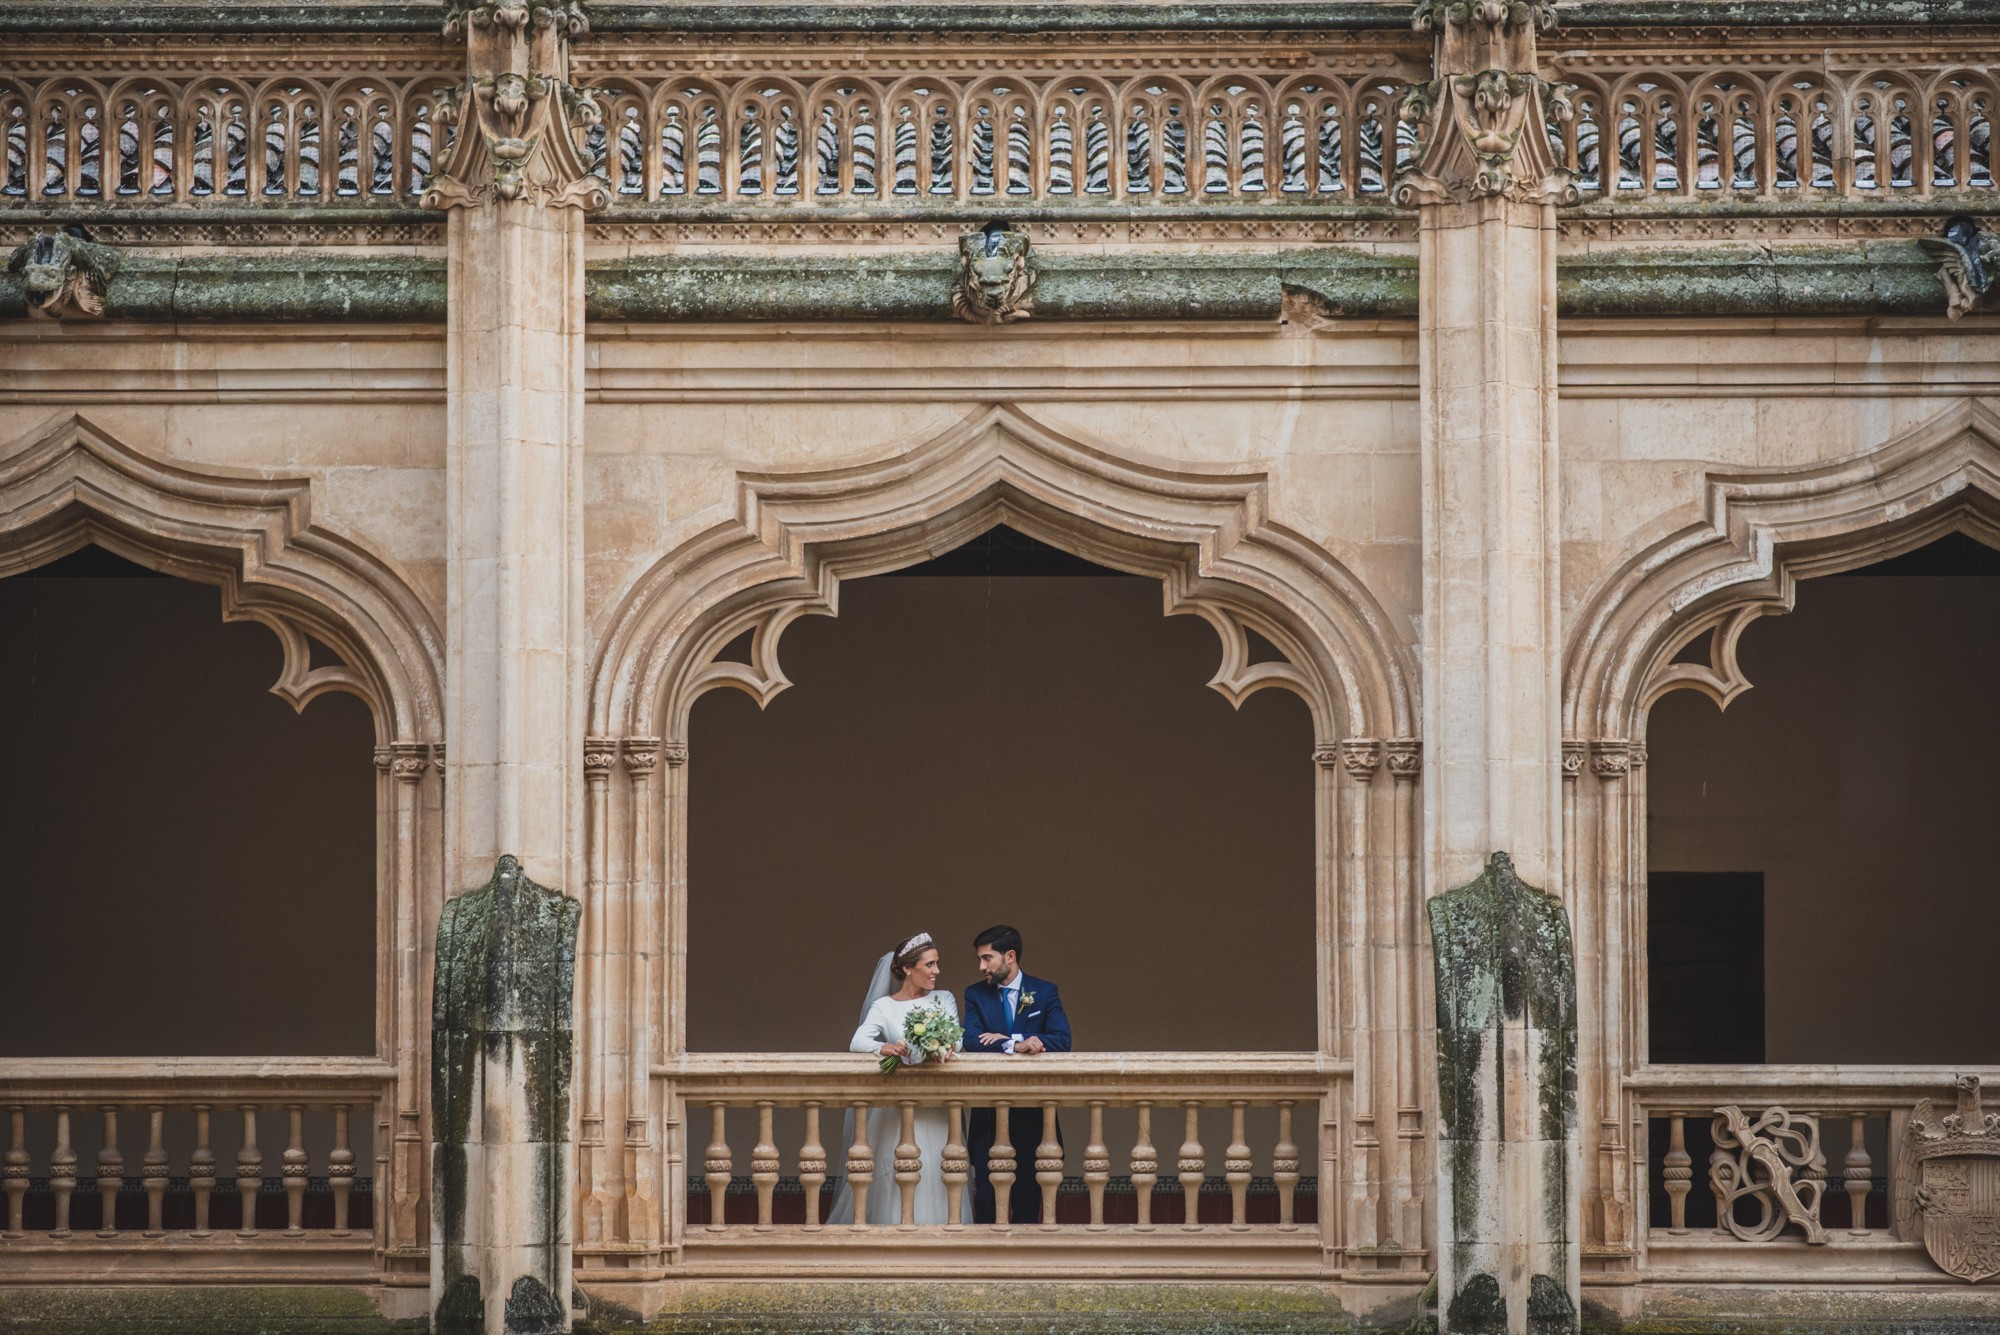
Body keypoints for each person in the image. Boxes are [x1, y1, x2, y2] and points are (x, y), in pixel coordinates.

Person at [826, 932, 968, 1225]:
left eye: (937, 964)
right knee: (898, 1170)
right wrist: (885, 1047)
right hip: (899, 1110)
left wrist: (944, 1046)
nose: (936, 972)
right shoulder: (884, 1007)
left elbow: (956, 1038)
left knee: (938, 1168)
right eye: (929, 965)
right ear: (907, 968)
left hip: (936, 1107)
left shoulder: (944, 998)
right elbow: (858, 1041)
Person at [960, 924, 1072, 1224]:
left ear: (1010, 956)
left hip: (1033, 1114)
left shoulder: (1045, 992)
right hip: (988, 1115)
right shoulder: (975, 995)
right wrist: (1016, 1044)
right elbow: (971, 1041)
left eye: (987, 958)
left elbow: (1062, 1040)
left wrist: (1004, 1039)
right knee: (985, 1198)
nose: (981, 966)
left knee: (1028, 1198)